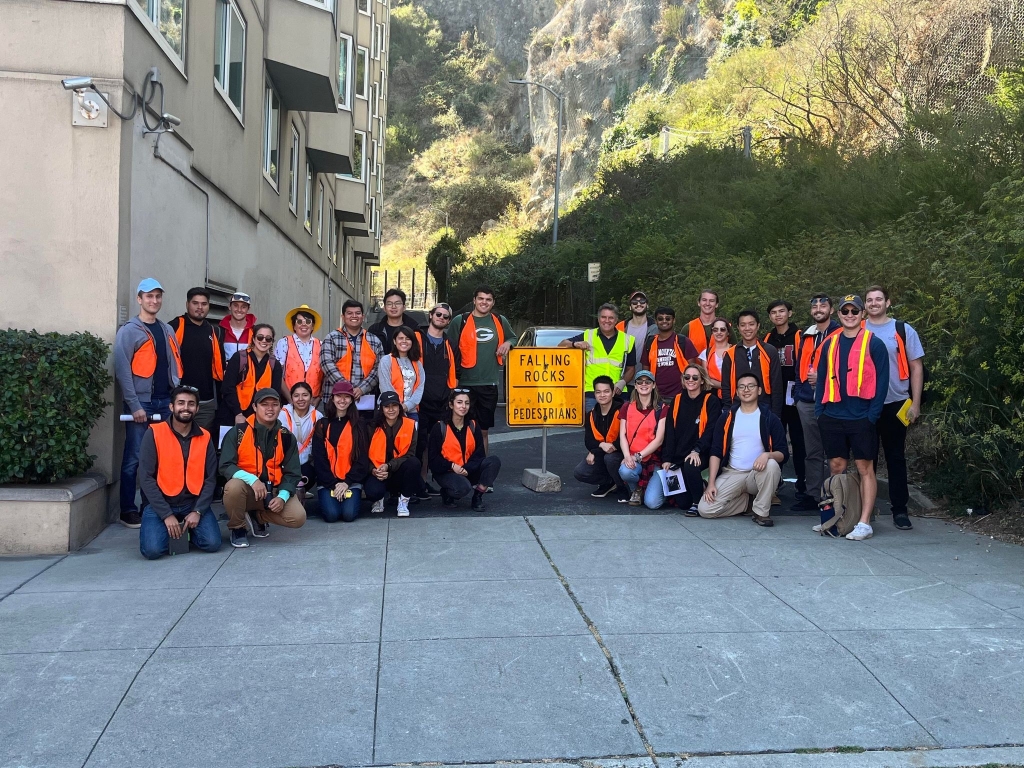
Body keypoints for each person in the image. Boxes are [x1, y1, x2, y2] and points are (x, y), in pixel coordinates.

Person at [814, 294, 890, 541]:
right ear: (839, 315)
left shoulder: (874, 343)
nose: (849, 316)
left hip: (861, 417)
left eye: (854, 311)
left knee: (864, 467)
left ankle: (864, 521)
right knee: (836, 466)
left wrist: (872, 415)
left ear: (862, 314)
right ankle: (837, 516)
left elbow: (882, 383)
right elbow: (822, 380)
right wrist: (819, 411)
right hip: (833, 415)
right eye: (845, 312)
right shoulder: (829, 344)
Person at [114, 278, 182, 528]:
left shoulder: (166, 330)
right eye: (149, 296)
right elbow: (122, 371)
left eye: (157, 296)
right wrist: (134, 405)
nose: (154, 301)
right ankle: (128, 511)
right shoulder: (129, 331)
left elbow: (172, 365)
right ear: (139, 299)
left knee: (160, 458)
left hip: (165, 404)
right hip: (141, 405)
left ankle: (151, 507)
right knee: (134, 457)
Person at [865, 285, 925, 531]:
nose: (874, 303)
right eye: (869, 300)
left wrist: (916, 403)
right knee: (864, 459)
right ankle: (864, 510)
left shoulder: (903, 330)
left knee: (895, 458)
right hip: (865, 404)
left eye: (879, 299)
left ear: (888, 302)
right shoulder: (857, 329)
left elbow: (916, 368)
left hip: (896, 402)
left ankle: (900, 510)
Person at [138, 385, 222, 559]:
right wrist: (166, 515)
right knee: (152, 551)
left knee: (212, 544)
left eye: (191, 404)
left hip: (192, 503)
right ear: (171, 407)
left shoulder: (205, 436)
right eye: (181, 403)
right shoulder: (154, 432)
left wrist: (198, 511)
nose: (186, 408)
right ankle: (170, 530)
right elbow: (145, 478)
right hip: (160, 503)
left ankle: (186, 533)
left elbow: (210, 478)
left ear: (197, 409)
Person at [220, 388, 306, 548]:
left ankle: (258, 517)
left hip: (273, 491)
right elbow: (225, 465)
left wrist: (283, 496)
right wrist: (252, 480)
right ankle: (238, 528)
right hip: (247, 490)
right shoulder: (238, 432)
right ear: (254, 407)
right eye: (264, 404)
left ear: (280, 407)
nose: (270, 409)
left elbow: (293, 473)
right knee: (232, 487)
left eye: (274, 404)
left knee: (298, 517)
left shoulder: (286, 436)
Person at [699, 372, 789, 525]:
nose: (746, 390)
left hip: (757, 474)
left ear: (759, 390)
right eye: (742, 387)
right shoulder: (727, 417)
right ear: (737, 392)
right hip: (732, 472)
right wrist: (711, 483)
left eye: (751, 386)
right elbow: (716, 451)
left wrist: (767, 455)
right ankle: (747, 504)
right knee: (705, 509)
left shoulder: (769, 418)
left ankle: (761, 512)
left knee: (772, 464)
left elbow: (783, 454)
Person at [447, 286, 516, 451]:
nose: (484, 302)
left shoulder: (499, 320)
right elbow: (448, 349)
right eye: (481, 299)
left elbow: (512, 337)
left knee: (483, 431)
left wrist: (508, 343)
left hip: (489, 384)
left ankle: (481, 468)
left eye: (488, 299)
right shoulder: (460, 321)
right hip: (464, 383)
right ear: (474, 301)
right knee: (461, 428)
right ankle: (461, 464)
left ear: (493, 303)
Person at [652, 364, 723, 515]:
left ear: (702, 380)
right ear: (683, 380)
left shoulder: (711, 400)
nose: (691, 380)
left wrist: (697, 450)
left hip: (701, 453)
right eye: (687, 377)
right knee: (683, 503)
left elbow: (711, 431)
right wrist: (667, 458)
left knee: (691, 463)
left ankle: (698, 504)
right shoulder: (677, 399)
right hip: (679, 456)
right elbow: (670, 432)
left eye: (695, 377)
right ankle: (698, 487)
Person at [792, 294, 841, 511]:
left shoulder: (841, 333)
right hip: (807, 401)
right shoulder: (807, 334)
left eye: (823, 305)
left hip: (832, 401)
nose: (819, 308)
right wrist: (798, 396)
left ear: (831, 310)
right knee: (811, 451)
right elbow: (799, 366)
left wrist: (821, 378)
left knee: (834, 450)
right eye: (815, 305)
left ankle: (834, 495)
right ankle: (813, 495)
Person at [428, 389, 502, 511]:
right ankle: (447, 492)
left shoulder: (473, 425)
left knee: (494, 461)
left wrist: (466, 469)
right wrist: (452, 466)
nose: (463, 406)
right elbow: (433, 460)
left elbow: (480, 455)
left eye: (466, 403)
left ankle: (478, 496)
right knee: (462, 488)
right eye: (459, 402)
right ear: (451, 405)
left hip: (468, 469)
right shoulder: (439, 427)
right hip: (447, 471)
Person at [764, 299, 807, 500]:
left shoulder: (800, 336)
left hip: (795, 396)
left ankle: (803, 482)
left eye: (782, 311)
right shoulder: (767, 338)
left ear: (790, 313)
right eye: (773, 312)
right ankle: (774, 482)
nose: (778, 315)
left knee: (799, 441)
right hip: (774, 397)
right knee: (774, 440)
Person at [560, 303, 637, 413]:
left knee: (619, 429)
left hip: (618, 392)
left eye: (611, 318)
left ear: (616, 320)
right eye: (603, 317)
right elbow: (561, 345)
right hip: (592, 393)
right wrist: (575, 344)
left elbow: (631, 368)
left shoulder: (628, 340)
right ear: (598, 319)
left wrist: (623, 382)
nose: (607, 321)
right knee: (592, 427)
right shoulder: (587, 335)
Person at [312, 381, 370, 523]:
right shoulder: (322, 424)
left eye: (346, 397)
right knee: (331, 515)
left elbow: (362, 459)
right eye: (339, 396)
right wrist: (333, 484)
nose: (342, 400)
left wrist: (346, 482)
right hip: (328, 482)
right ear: (332, 398)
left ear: (352, 399)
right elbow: (319, 460)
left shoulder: (359, 425)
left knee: (348, 515)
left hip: (351, 481)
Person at [416, 303, 458, 495]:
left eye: (445, 316)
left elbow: (455, 374)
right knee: (420, 444)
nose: (441, 318)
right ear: (431, 315)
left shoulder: (450, 345)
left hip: (442, 402)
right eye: (438, 314)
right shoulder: (416, 338)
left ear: (449, 321)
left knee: (442, 443)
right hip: (419, 402)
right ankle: (420, 482)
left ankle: (446, 483)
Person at [168, 288, 225, 430]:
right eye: (195, 303)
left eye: (204, 304)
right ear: (187, 304)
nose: (200, 307)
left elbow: (220, 367)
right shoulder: (174, 327)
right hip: (180, 400)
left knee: (201, 443)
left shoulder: (215, 331)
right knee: (178, 443)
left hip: (206, 402)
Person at [364, 391, 426, 517]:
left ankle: (403, 501)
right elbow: (363, 455)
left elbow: (410, 454)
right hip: (377, 472)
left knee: (414, 463)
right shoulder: (371, 426)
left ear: (399, 407)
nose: (391, 410)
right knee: (373, 492)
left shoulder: (410, 425)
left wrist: (389, 466)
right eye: (387, 406)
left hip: (398, 471)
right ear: (381, 409)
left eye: (394, 406)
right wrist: (373, 470)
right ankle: (378, 500)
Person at [320, 300, 384, 413]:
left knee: (363, 430)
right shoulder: (331, 338)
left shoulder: (374, 340)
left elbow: (378, 368)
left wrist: (362, 388)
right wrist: (346, 389)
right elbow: (326, 364)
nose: (354, 316)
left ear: (363, 316)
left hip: (364, 399)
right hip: (335, 399)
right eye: (349, 313)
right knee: (335, 430)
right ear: (343, 316)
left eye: (357, 313)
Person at [617, 370, 667, 507]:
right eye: (640, 382)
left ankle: (658, 490)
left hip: (654, 459)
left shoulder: (662, 408)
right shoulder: (627, 407)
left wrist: (637, 456)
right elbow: (622, 434)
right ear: (636, 385)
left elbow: (659, 440)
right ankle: (636, 490)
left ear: (653, 385)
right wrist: (627, 456)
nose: (643, 384)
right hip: (633, 456)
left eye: (647, 382)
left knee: (652, 503)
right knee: (625, 471)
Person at [217, 323, 285, 426]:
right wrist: (238, 413)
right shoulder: (239, 358)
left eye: (268, 339)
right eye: (260, 337)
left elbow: (275, 394)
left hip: (260, 419)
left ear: (272, 342)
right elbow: (227, 388)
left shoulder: (275, 365)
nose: (264, 341)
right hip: (232, 415)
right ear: (253, 338)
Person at [572, 376, 627, 500]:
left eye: (606, 391)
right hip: (602, 452)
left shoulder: (622, 411)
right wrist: (598, 447)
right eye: (598, 392)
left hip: (622, 454)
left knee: (611, 459)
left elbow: (627, 436)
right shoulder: (591, 414)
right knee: (580, 472)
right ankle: (608, 482)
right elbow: (589, 441)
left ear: (613, 393)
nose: (602, 395)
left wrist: (611, 447)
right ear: (595, 394)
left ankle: (622, 487)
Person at [720, 309, 783, 416]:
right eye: (743, 325)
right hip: (737, 408)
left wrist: (776, 414)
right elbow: (726, 386)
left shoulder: (769, 351)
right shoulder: (730, 354)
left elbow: (776, 385)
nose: (747, 328)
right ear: (738, 328)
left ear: (758, 326)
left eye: (751, 324)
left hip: (765, 408)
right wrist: (728, 410)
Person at [638, 306, 700, 399]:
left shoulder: (683, 341)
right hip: (656, 396)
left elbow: (692, 370)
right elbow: (646, 372)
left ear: (673, 320)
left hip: (681, 394)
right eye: (660, 319)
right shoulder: (650, 343)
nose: (664, 321)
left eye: (668, 318)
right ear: (656, 321)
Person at [278, 381, 321, 496]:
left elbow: (316, 444)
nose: (301, 399)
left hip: (305, 461)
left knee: (311, 474)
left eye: (305, 395)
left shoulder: (317, 416)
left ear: (311, 397)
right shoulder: (282, 414)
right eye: (296, 396)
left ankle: (299, 491)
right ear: (291, 398)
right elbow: (283, 440)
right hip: (285, 461)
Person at [275, 305, 324, 403]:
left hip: (313, 401)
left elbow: (326, 375)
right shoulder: (284, 343)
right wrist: (290, 399)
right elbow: (277, 373)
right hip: (288, 399)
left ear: (313, 325)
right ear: (294, 325)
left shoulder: (322, 345)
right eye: (299, 321)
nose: (304, 324)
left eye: (308, 321)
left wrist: (318, 399)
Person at [377, 326, 425, 420]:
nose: (404, 341)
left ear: (412, 342)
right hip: (389, 411)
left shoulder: (417, 363)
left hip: (411, 412)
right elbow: (385, 387)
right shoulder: (386, 360)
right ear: (395, 341)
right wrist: (397, 407)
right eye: (400, 338)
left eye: (408, 339)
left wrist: (406, 406)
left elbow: (420, 388)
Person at [368, 288, 422, 354]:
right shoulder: (374, 330)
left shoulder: (414, 330)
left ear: (404, 307)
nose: (393, 306)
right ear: (384, 308)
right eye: (389, 304)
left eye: (398, 303)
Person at [698, 318, 733, 396]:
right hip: (713, 396)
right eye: (715, 330)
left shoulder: (736, 351)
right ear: (712, 333)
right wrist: (727, 386)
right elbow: (706, 378)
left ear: (728, 332)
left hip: (735, 395)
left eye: (722, 329)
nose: (719, 332)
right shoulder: (706, 353)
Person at [616, 291, 656, 355]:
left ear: (647, 305)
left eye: (642, 301)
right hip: (625, 365)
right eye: (634, 302)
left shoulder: (655, 327)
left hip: (650, 365)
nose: (638, 304)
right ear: (630, 307)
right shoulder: (620, 327)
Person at [683, 289, 720, 356]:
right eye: (704, 300)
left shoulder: (725, 327)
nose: (707, 303)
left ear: (716, 304)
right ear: (698, 303)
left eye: (711, 301)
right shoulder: (688, 328)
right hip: (695, 365)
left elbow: (734, 353)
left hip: (719, 366)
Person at [219, 291, 255, 360]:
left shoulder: (255, 332)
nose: (239, 310)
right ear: (229, 307)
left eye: (243, 307)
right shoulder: (220, 331)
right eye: (235, 305)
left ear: (248, 309)